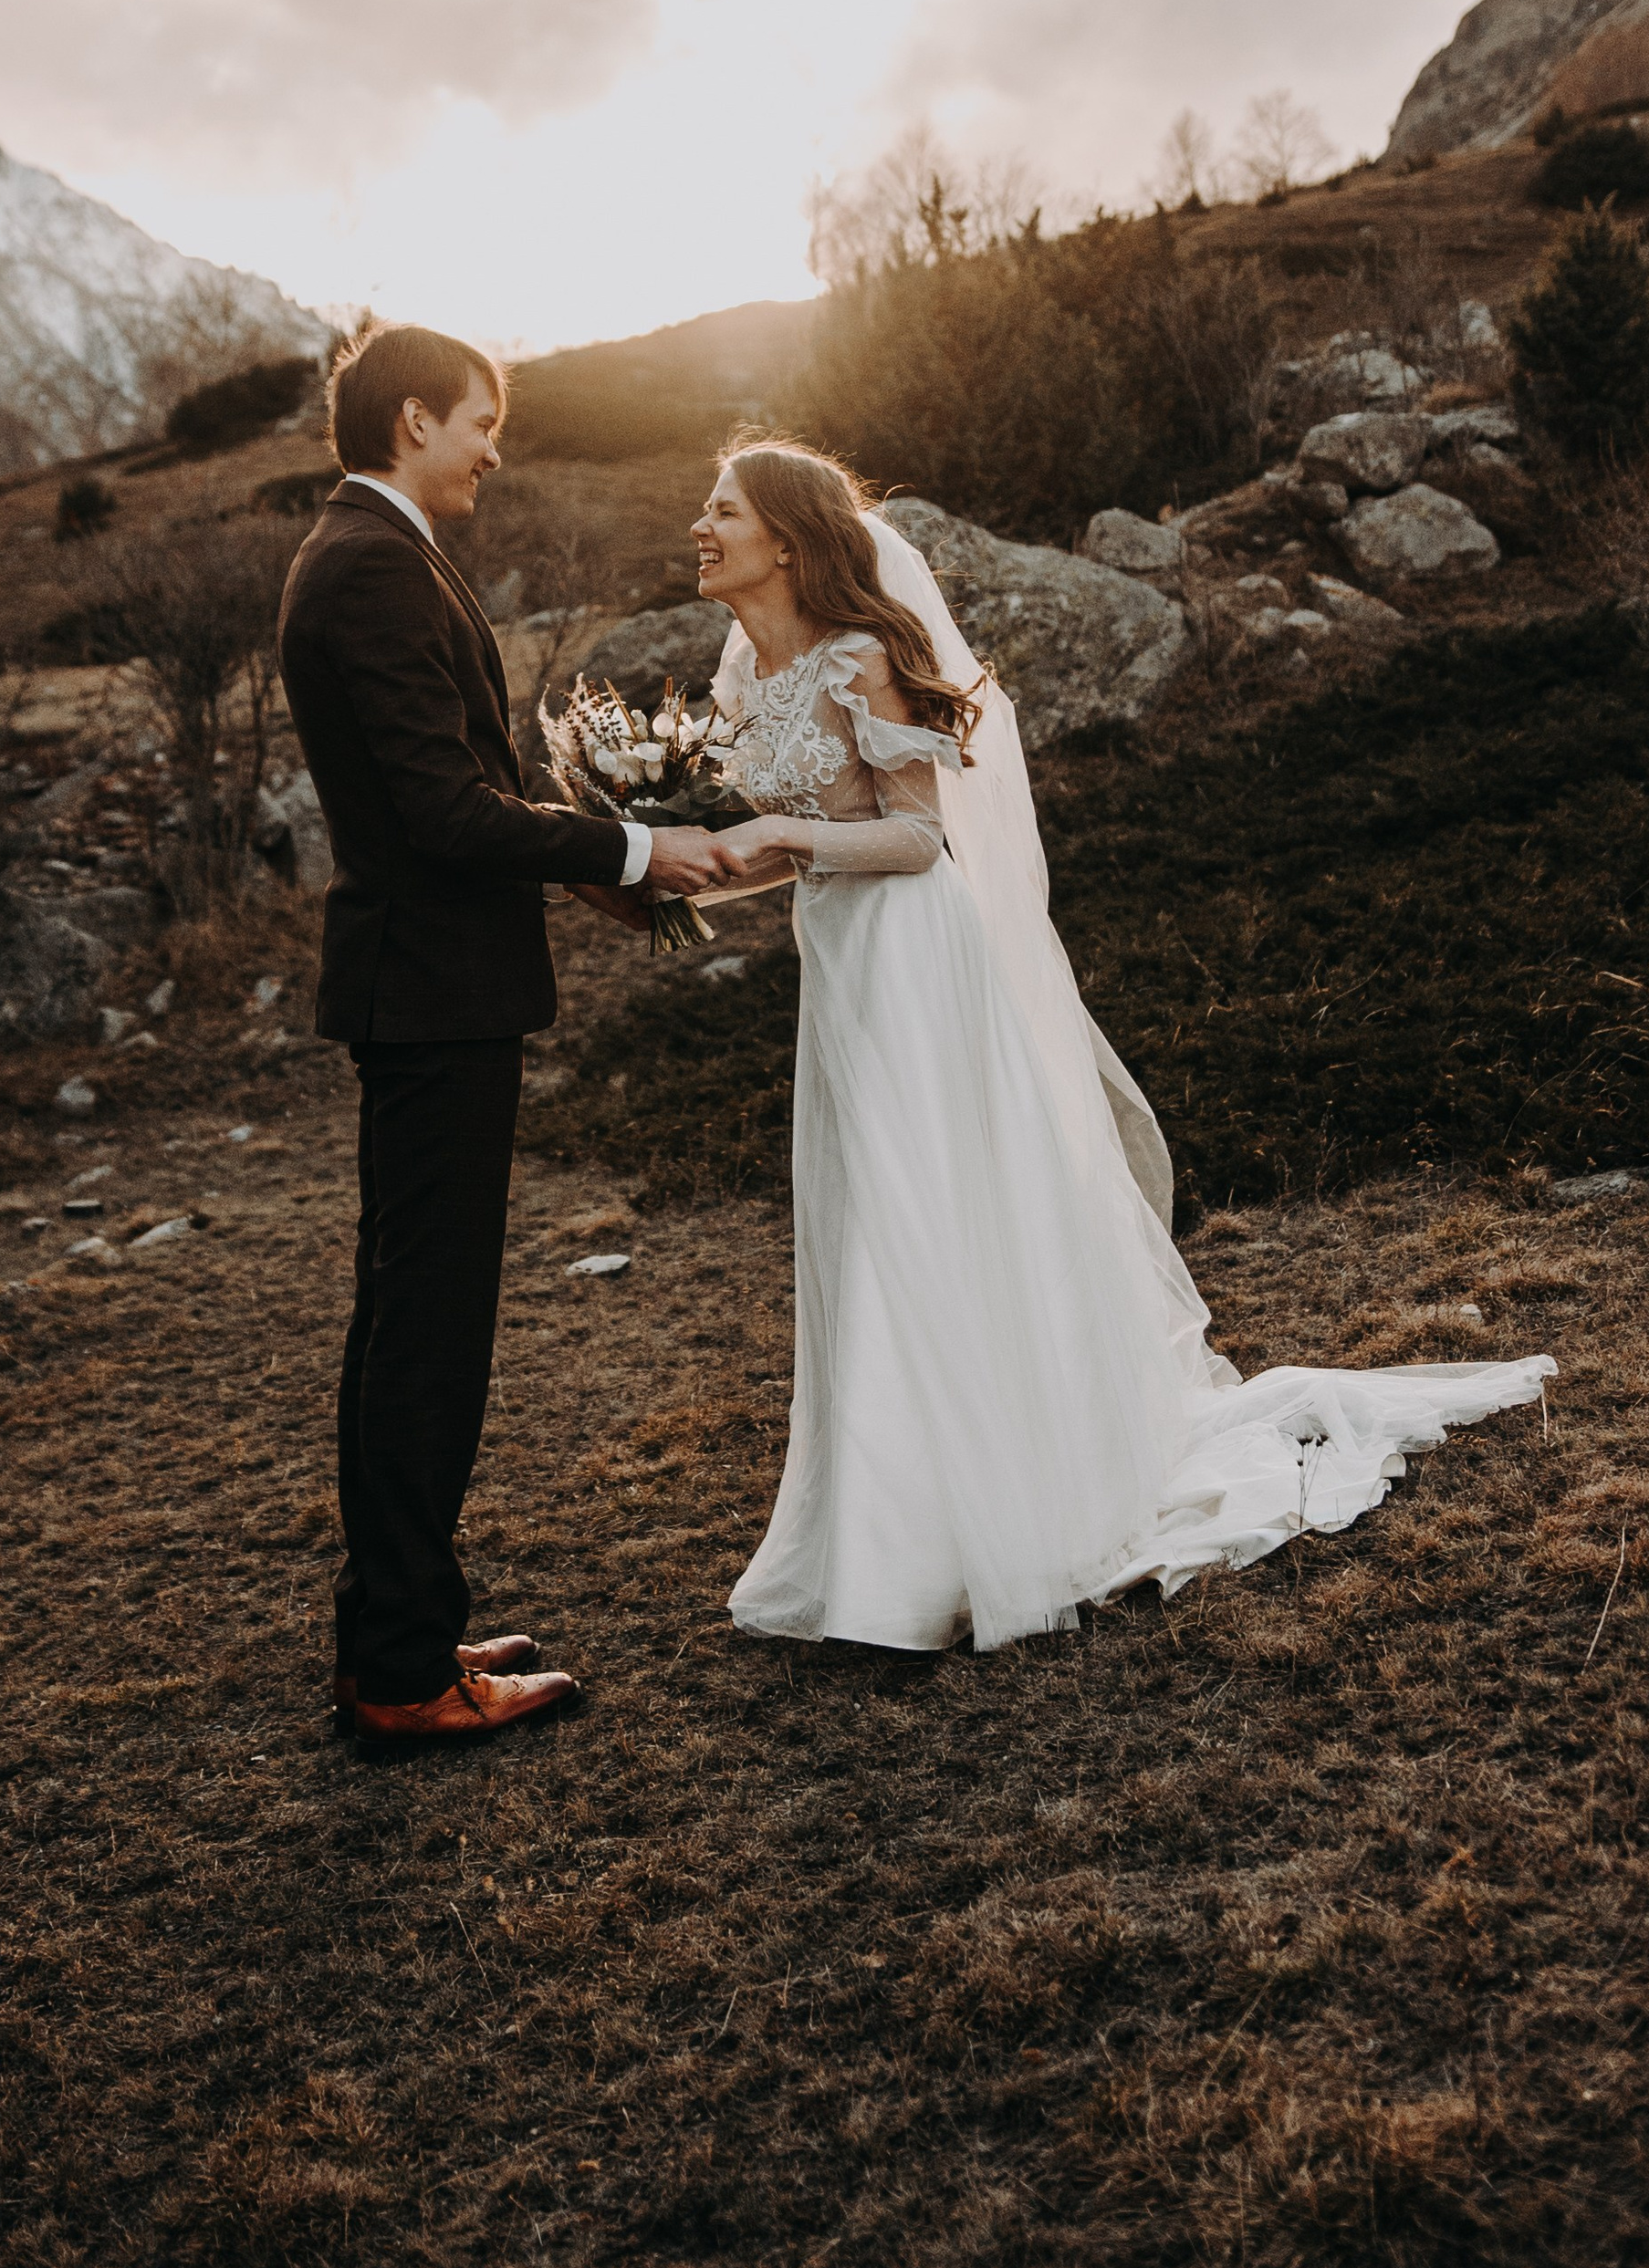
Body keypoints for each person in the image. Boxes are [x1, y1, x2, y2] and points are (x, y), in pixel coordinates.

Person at [698, 439, 1555, 1652]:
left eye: (721, 509)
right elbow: (791, 843)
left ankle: (1000, 1509)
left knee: (932, 1207)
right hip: (840, 963)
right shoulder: (745, 667)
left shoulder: (865, 654)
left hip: (913, 957)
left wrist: (770, 832)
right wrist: (694, 887)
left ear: (785, 537)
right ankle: (884, 1527)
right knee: (863, 1221)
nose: (699, 527)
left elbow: (913, 840)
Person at [277, 323, 728, 1754]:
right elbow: (444, 815)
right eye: (480, 420)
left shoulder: (367, 551)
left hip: (429, 986)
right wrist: (627, 851)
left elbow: (451, 796)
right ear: (415, 419)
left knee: (406, 1318)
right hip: (432, 995)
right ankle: (404, 1670)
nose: (494, 445)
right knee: (427, 1332)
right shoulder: (367, 567)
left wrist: (592, 856)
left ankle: (402, 1628)